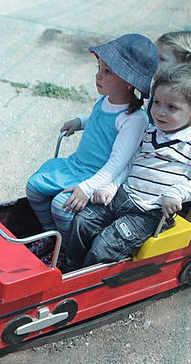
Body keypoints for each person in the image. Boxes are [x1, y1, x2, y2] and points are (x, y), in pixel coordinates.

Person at [63, 64, 191, 272]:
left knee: (105, 245)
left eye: (171, 107)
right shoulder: (150, 132)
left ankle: (86, 282)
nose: (160, 112)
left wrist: (179, 192)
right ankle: (69, 267)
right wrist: (110, 187)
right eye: (156, 103)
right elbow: (130, 163)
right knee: (82, 222)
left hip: (149, 212)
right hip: (122, 196)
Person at [25, 34, 158, 258]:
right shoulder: (105, 99)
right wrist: (81, 122)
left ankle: (65, 249)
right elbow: (100, 120)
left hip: (97, 175)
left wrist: (87, 188)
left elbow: (118, 162)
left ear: (129, 81)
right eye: (99, 68)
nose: (98, 76)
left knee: (62, 206)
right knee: (34, 186)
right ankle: (51, 237)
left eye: (108, 72)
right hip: (77, 164)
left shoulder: (135, 119)